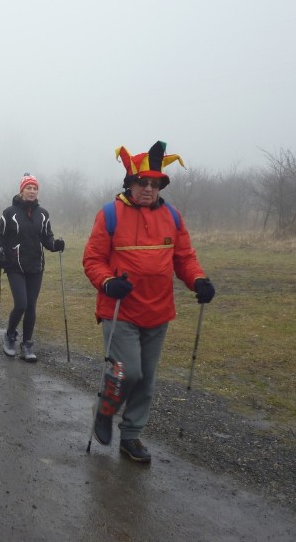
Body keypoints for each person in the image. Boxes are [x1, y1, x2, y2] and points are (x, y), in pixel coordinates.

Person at [82, 141, 216, 463]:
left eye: (155, 184)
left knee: (147, 379)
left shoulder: (172, 215)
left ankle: (131, 436)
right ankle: (105, 409)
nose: (149, 189)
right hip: (120, 309)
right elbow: (92, 259)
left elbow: (184, 257)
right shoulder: (110, 214)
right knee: (127, 373)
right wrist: (108, 281)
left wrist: (198, 279)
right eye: (143, 182)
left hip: (158, 311)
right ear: (129, 183)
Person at [0, 173, 65, 363]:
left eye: (34, 188)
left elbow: (47, 238)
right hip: (14, 265)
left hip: (35, 265)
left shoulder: (43, 214)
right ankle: (10, 335)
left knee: (31, 306)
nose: (32, 191)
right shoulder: (9, 212)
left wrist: (55, 244)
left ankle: (26, 344)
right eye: (28, 188)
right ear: (21, 190)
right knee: (21, 304)